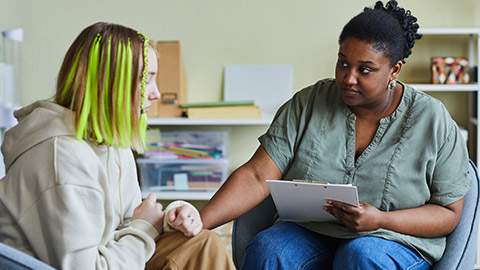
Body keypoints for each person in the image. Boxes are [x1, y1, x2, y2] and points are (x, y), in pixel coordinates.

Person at [200, 1, 472, 269]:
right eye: (343, 63)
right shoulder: (308, 103)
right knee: (270, 248)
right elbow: (257, 175)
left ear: (394, 70)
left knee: (360, 254)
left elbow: (449, 213)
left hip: (393, 239)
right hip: (311, 232)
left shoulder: (432, 119)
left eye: (364, 69)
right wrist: (196, 223)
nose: (348, 78)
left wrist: (380, 220)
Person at [0, 22, 235, 270]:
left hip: (110, 256)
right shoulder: (61, 156)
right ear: (113, 84)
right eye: (148, 80)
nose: (156, 93)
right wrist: (144, 228)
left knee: (204, 242)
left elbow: (128, 220)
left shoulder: (111, 143)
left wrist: (170, 219)